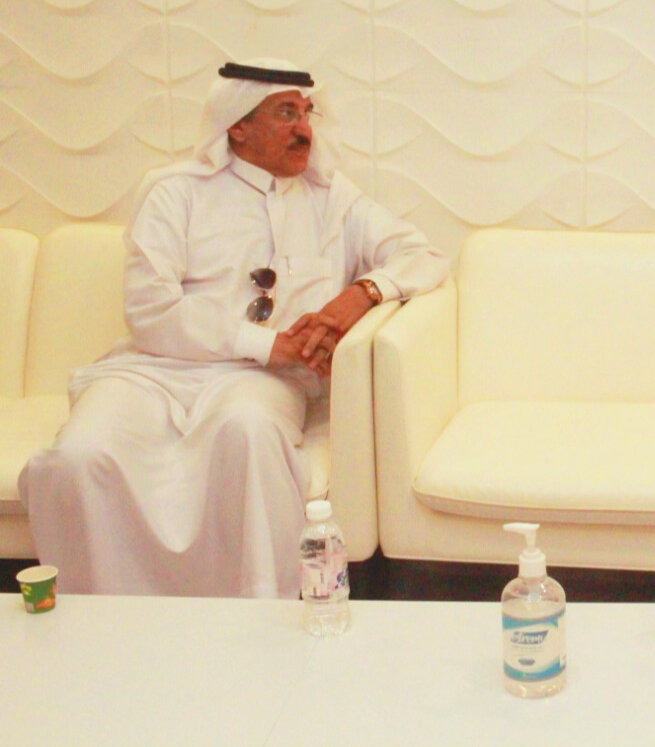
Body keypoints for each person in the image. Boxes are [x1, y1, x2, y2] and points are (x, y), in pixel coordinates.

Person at [19, 59, 450, 598]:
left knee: (247, 435)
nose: (304, 129)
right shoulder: (174, 191)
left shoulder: (330, 198)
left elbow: (425, 256)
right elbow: (151, 309)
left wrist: (360, 294)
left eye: (307, 113)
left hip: (260, 382)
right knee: (78, 457)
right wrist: (270, 344)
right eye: (286, 113)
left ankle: (258, 618)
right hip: (152, 372)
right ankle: (106, 620)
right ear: (238, 124)